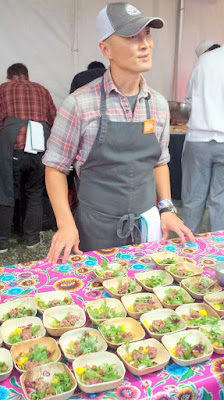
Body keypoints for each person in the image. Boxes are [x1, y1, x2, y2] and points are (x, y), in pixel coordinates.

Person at [43, 2, 194, 264]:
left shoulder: (157, 104)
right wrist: (66, 224)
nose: (145, 43)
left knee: (145, 296)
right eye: (132, 36)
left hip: (148, 227)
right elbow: (55, 168)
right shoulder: (79, 104)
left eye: (147, 34)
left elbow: (159, 161)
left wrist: (167, 208)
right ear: (106, 49)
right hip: (95, 229)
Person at [0, 63, 57, 253]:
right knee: (35, 193)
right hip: (41, 148)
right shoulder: (42, 90)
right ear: (27, 76)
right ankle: (31, 239)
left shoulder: (3, 89)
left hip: (13, 148)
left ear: (9, 77)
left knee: (6, 192)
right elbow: (53, 118)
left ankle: (2, 242)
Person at [182, 40, 223, 233]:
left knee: (193, 198)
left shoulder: (204, 61)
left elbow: (188, 99)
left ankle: (188, 251)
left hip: (198, 139)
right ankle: (218, 253)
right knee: (220, 201)